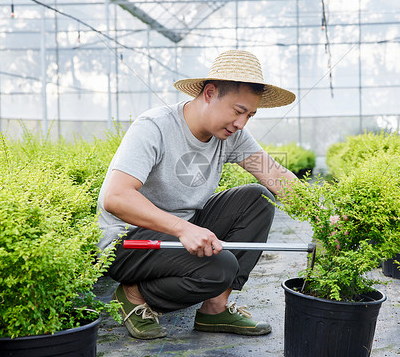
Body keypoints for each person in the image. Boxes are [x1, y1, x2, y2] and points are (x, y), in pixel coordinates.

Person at [97, 49, 298, 340]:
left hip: (180, 231)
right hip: (129, 241)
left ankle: (215, 309)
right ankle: (134, 295)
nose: (242, 123)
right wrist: (182, 228)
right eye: (238, 111)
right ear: (210, 93)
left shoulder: (233, 135)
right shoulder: (155, 126)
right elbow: (115, 198)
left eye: (250, 115)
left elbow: (277, 177)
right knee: (220, 268)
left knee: (258, 197)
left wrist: (323, 215)